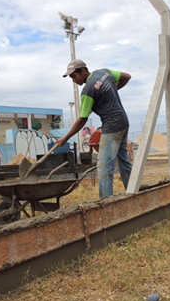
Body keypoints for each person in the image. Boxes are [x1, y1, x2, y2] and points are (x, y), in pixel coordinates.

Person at [57, 59, 133, 198]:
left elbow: (81, 121)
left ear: (83, 71)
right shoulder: (103, 73)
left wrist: (65, 138)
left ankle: (105, 204)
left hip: (112, 126)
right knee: (124, 163)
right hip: (123, 122)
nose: (73, 80)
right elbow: (126, 76)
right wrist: (108, 93)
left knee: (104, 167)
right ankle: (134, 192)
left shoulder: (88, 91)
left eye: (75, 76)